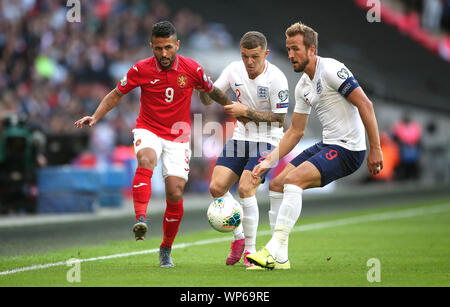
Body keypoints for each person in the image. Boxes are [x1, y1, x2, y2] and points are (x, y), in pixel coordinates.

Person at [74, 21, 232, 268]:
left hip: (179, 135)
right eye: (158, 48)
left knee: (175, 192)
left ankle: (166, 248)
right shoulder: (141, 69)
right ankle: (141, 218)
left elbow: (213, 93)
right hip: (148, 128)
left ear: (177, 45)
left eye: (168, 47)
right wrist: (95, 116)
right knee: (146, 159)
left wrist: (235, 108)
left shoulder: (192, 69)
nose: (164, 54)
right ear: (152, 47)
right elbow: (116, 93)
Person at [247, 22, 384, 270]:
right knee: (277, 183)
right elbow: (296, 131)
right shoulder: (303, 86)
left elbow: (366, 105)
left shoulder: (331, 69)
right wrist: (269, 161)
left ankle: (273, 249)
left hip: (349, 149)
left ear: (311, 50)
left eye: (296, 49)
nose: (290, 55)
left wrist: (375, 148)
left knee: (293, 180)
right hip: (328, 144)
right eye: (288, 49)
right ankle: (281, 259)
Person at [198, 31, 289, 267]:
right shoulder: (233, 69)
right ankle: (238, 238)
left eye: (255, 57)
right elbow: (207, 100)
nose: (249, 62)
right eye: (245, 56)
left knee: (246, 189)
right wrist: (204, 87)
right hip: (241, 138)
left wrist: (245, 112)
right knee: (216, 188)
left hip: (268, 141)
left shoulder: (276, 78)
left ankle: (250, 252)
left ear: (265, 54)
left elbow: (280, 118)